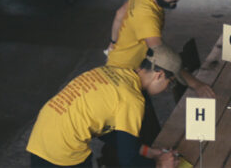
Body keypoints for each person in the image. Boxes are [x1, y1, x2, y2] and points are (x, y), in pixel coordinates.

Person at [26, 46, 184, 168]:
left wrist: (149, 152)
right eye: (169, 84)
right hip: (64, 150)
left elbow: (105, 130)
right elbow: (127, 160)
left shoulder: (112, 71)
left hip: (42, 134)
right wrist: (160, 164)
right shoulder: (132, 99)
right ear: (159, 75)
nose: (165, 90)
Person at [108, 0, 215, 143]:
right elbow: (165, 60)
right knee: (132, 128)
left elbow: (119, 14)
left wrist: (113, 42)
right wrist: (196, 84)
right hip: (125, 74)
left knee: (137, 123)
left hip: (120, 62)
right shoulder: (147, 18)